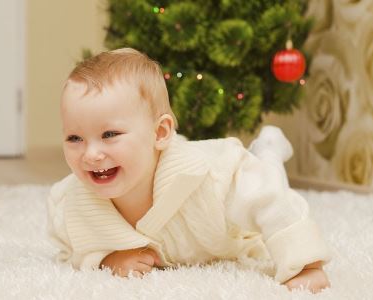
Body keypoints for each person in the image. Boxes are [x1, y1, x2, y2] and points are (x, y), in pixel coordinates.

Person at [47, 48, 332, 293]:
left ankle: (268, 149)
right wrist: (106, 259)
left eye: (109, 134)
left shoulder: (217, 174)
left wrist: (304, 264)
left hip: (235, 218)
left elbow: (271, 200)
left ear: (159, 132)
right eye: (74, 138)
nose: (91, 154)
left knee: (268, 174)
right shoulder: (69, 203)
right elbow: (71, 250)